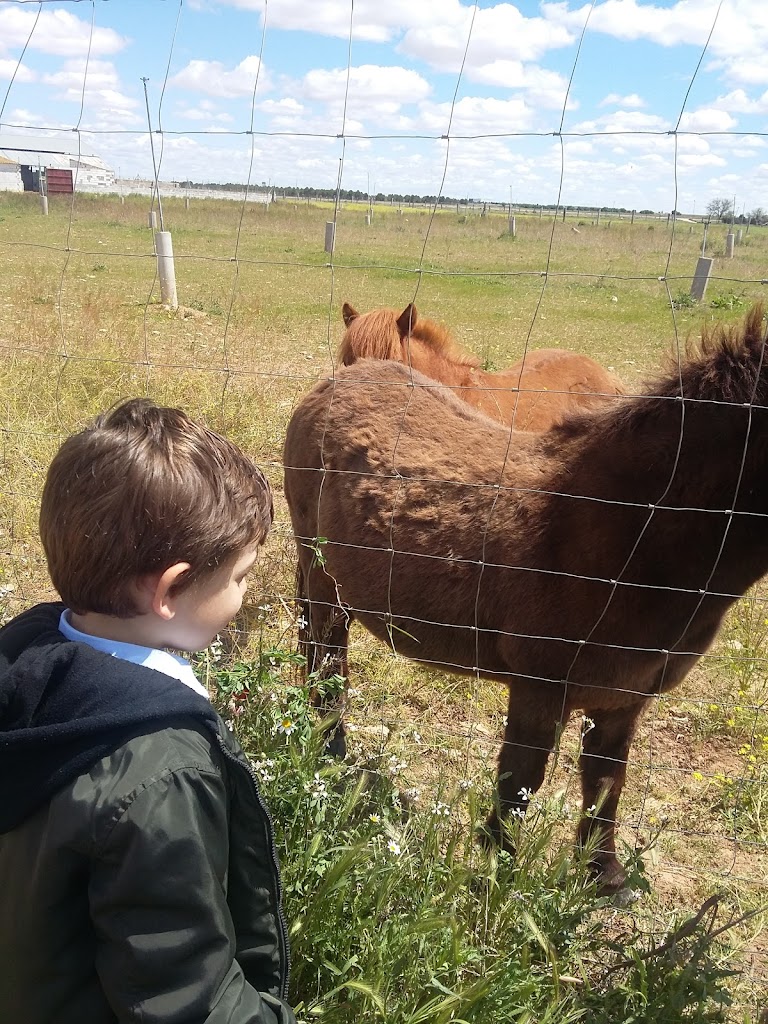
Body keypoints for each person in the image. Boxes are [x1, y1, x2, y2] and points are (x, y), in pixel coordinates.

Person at [0, 398, 297, 1024]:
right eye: (241, 577)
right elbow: (188, 995)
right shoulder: (160, 775)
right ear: (169, 590)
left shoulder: (25, 660)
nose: (245, 593)